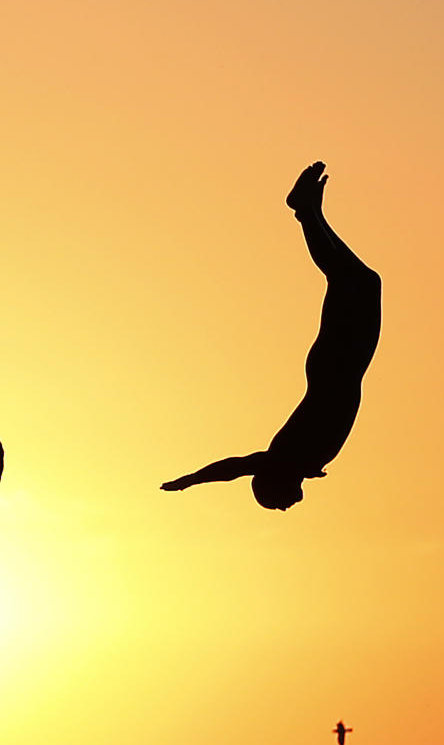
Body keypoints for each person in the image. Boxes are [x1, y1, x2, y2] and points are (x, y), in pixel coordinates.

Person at [161, 162, 381, 511]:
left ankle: (306, 212)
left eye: (277, 503)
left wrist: (189, 481)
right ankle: (311, 213)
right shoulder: (302, 464)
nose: (286, 507)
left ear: (274, 483)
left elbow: (234, 467)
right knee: (363, 282)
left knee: (351, 281)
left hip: (336, 366)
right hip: (342, 366)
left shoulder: (282, 461)